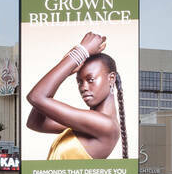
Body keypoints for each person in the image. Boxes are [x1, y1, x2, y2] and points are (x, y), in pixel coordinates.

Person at [26, 31, 128, 161]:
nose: (83, 87)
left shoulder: (105, 125)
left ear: (111, 78)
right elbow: (35, 123)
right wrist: (68, 67)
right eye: (79, 82)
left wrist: (80, 53)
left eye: (90, 80)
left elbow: (36, 97)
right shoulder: (87, 123)